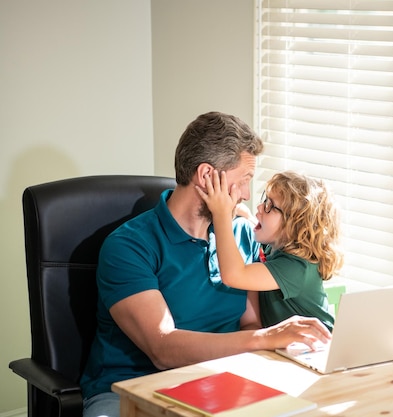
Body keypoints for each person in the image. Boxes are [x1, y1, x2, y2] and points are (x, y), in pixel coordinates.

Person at [79, 112, 331, 417]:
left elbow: (248, 323)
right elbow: (163, 350)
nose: (247, 196)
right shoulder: (129, 246)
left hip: (220, 382)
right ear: (206, 176)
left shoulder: (239, 238)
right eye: (243, 182)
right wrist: (266, 337)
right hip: (130, 388)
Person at [196, 170, 344, 331]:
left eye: (270, 206)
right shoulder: (275, 248)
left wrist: (221, 214)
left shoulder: (296, 268)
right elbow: (264, 234)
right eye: (265, 200)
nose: (260, 207)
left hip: (317, 350)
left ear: (293, 226)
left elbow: (234, 275)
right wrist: (248, 216)